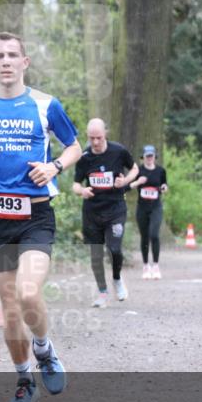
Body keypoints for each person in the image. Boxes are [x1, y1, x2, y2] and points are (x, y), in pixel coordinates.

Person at [0, 32, 81, 402]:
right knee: (10, 309)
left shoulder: (45, 104)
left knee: (27, 293)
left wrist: (54, 167)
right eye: (0, 56)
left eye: (13, 55)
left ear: (24, 62)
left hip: (35, 215)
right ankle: (25, 381)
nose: (6, 61)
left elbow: (74, 146)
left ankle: (45, 350)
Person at [71, 119, 138, 307]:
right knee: (96, 255)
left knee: (114, 249)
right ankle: (102, 292)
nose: (95, 142)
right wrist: (81, 191)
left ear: (105, 134)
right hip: (92, 212)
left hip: (115, 209)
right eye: (91, 138)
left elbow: (135, 169)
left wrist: (125, 182)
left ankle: (117, 279)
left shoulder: (119, 151)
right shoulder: (84, 157)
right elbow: (76, 184)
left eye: (99, 138)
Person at [128, 144, 168, 279]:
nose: (149, 158)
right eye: (147, 156)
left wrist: (164, 188)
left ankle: (155, 265)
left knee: (154, 235)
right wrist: (138, 182)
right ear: (143, 157)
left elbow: (164, 185)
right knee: (144, 236)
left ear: (155, 157)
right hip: (142, 208)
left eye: (151, 156)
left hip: (156, 207)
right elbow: (130, 186)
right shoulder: (138, 171)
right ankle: (146, 266)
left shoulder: (161, 171)